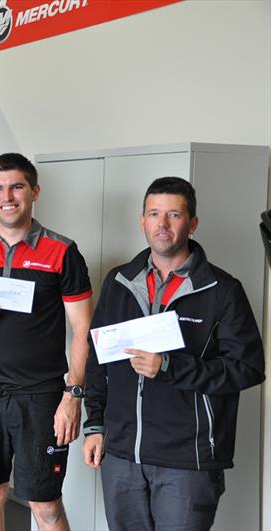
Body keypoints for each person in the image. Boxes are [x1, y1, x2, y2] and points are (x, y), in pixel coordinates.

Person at [82, 177, 265, 531]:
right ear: (142, 221)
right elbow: (97, 359)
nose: (162, 224)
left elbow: (247, 368)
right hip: (121, 455)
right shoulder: (119, 281)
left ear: (192, 224)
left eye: (174, 215)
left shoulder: (223, 290)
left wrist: (170, 366)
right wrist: (95, 426)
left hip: (187, 460)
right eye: (154, 214)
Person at [0, 153, 93, 531]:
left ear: (34, 191)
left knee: (45, 506)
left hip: (40, 399)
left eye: (16, 186)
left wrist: (72, 396)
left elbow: (82, 331)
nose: (6, 196)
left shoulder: (62, 252)